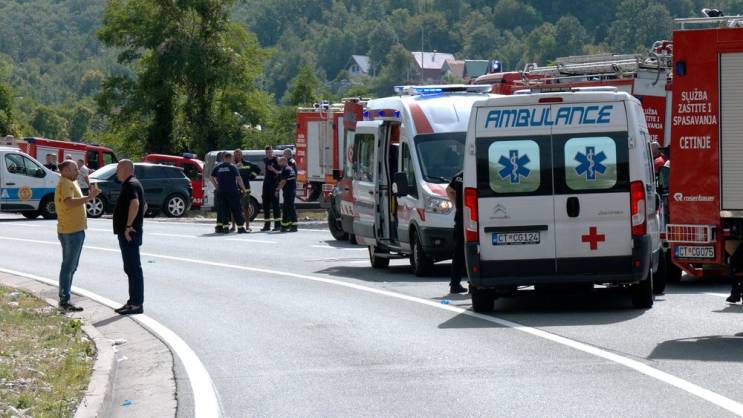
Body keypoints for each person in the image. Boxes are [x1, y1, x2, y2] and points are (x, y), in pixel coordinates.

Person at [54, 160, 100, 312]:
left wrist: (89, 196)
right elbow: (69, 202)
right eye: (75, 169)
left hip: (72, 229)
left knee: (70, 266)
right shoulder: (65, 183)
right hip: (71, 231)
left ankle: (65, 298)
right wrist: (89, 197)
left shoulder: (69, 182)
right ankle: (64, 300)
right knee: (68, 266)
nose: (78, 171)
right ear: (66, 170)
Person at [113, 160, 146, 315]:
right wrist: (136, 220)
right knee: (130, 268)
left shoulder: (131, 184)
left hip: (129, 233)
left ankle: (136, 304)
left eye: (118, 169)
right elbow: (144, 206)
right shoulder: (133, 183)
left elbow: (136, 204)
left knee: (133, 269)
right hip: (131, 232)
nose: (116, 172)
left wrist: (128, 226)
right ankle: (133, 301)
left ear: (126, 169)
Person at [210, 152, 247, 234]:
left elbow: (211, 177)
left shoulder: (218, 167)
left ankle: (225, 228)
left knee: (224, 209)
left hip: (221, 192)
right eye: (231, 158)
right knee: (236, 209)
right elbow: (239, 179)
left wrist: (216, 186)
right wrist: (244, 190)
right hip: (232, 191)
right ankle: (240, 228)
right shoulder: (232, 167)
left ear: (224, 158)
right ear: (230, 158)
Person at [446, 170, 467, 294]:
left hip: (461, 217)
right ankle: (473, 284)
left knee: (459, 252)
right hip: (475, 217)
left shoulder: (459, 176)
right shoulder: (477, 173)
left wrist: (457, 204)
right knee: (476, 250)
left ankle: (454, 283)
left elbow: (449, 190)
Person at [235, 150, 261, 231]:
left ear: (242, 155)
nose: (238, 156)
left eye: (239, 154)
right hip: (235, 189)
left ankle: (247, 226)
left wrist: (251, 177)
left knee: (246, 208)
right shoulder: (232, 164)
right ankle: (233, 226)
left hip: (246, 189)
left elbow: (258, 169)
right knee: (233, 208)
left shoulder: (247, 164)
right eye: (236, 155)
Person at [261, 146, 281, 232]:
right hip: (266, 184)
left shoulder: (276, 160)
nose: (268, 154)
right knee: (265, 205)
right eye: (267, 152)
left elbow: (280, 172)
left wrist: (273, 169)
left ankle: (277, 225)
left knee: (275, 205)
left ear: (272, 152)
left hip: (274, 184)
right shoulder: (265, 160)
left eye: (270, 152)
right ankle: (267, 225)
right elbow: (265, 171)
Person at [276, 156, 298, 232]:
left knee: (290, 208)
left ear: (284, 161)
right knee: (285, 208)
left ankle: (294, 226)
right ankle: (285, 226)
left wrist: (277, 189)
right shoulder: (290, 169)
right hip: (290, 191)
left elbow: (283, 181)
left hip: (289, 191)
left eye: (280, 162)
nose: (278, 163)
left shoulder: (285, 170)